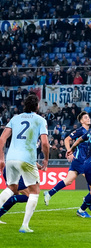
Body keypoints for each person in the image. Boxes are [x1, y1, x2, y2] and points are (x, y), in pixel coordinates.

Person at [0, 94, 49, 233]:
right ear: (37, 106)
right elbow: (45, 143)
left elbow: (2, 139)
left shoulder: (15, 119)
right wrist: (46, 159)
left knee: (11, 188)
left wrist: (1, 158)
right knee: (34, 192)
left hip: (11, 159)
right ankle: (25, 226)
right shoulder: (40, 119)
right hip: (26, 158)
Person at [43, 111, 91, 209]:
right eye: (86, 118)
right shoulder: (80, 130)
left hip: (82, 159)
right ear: (81, 121)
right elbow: (66, 139)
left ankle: (49, 193)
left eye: (88, 117)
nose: (88, 119)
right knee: (89, 176)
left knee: (68, 181)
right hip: (79, 159)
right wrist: (70, 151)